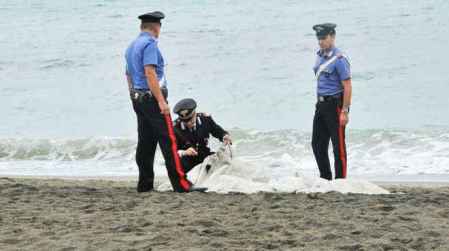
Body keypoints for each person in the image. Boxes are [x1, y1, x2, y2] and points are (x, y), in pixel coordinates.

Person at [125, 11, 205, 192]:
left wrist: (132, 95)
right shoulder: (150, 44)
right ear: (156, 27)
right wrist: (161, 101)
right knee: (169, 142)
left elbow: (128, 74)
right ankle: (182, 184)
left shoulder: (132, 46)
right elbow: (150, 72)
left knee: (145, 142)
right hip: (152, 99)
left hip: (138, 99)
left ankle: (144, 184)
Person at [311, 23, 352, 180]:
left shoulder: (339, 59)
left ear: (332, 37)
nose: (321, 41)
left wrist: (345, 111)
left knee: (338, 146)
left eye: (324, 38)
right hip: (321, 104)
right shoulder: (319, 55)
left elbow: (347, 86)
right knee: (317, 144)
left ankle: (341, 181)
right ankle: (325, 178)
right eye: (319, 38)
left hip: (335, 104)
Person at [172, 98, 232, 173]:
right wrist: (184, 152)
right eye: (185, 121)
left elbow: (217, 131)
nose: (188, 123)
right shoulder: (174, 128)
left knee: (222, 160)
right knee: (181, 161)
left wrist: (224, 136)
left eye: (190, 119)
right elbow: (170, 152)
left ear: (195, 113)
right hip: (187, 162)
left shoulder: (205, 119)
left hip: (204, 156)